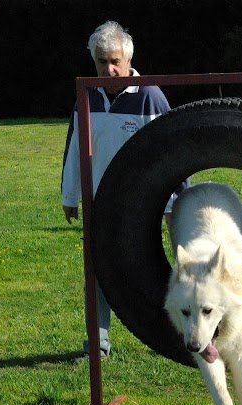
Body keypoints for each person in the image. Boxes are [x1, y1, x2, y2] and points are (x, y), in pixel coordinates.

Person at [61, 20, 188, 361]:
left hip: (149, 202)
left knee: (160, 270)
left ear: (129, 59)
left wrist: (174, 202)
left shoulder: (150, 96)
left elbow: (172, 151)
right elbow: (75, 147)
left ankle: (180, 336)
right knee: (98, 274)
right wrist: (69, 197)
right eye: (102, 61)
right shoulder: (85, 98)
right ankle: (97, 345)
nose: (109, 68)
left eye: (115, 60)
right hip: (101, 203)